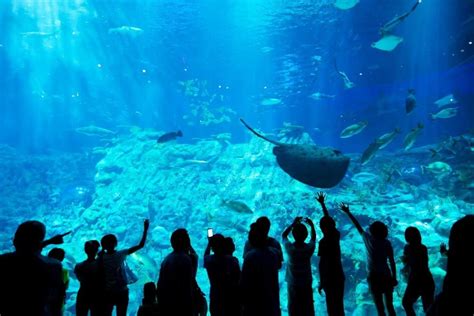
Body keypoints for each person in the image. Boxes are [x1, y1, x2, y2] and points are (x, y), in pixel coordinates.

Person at [340, 203, 397, 316]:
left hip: (374, 276)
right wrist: (394, 277)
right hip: (386, 275)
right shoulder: (387, 243)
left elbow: (358, 226)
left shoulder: (368, 239)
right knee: (389, 306)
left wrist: (348, 212)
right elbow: (392, 261)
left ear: (371, 231)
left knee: (379, 307)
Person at [0, 221, 64, 316]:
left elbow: (25, 250)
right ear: (39, 241)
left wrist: (48, 242)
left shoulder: (3, 261)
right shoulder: (53, 266)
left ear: (15, 241)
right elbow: (56, 302)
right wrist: (48, 242)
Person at [100, 219, 149, 316]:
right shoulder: (121, 254)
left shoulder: (101, 257)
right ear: (116, 244)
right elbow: (140, 245)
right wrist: (145, 229)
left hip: (107, 291)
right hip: (121, 290)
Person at [428, 215, 474, 316]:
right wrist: (444, 252)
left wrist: (445, 252)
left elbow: (453, 255)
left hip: (452, 293)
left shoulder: (456, 252)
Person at [241, 222, 281, 316]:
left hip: (254, 301)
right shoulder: (275, 253)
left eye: (251, 234)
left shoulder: (250, 256)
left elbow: (244, 280)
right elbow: (279, 266)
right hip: (272, 299)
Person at [316, 192, 345, 316]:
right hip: (339, 275)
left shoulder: (323, 242)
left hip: (328, 278)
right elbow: (329, 223)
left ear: (321, 228)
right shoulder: (336, 236)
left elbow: (322, 263)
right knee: (339, 305)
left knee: (331, 306)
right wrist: (323, 205)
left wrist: (322, 281)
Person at [157, 228, 197, 316]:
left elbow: (160, 285)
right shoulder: (185, 259)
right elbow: (190, 280)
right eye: (188, 239)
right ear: (186, 242)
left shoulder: (167, 259)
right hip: (182, 304)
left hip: (167, 304)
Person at [282, 216, 316, 316]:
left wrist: (293, 224)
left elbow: (284, 236)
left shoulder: (290, 249)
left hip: (293, 282)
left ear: (293, 235)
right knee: (307, 305)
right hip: (306, 282)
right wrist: (312, 226)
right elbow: (313, 238)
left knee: (293, 305)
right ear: (306, 235)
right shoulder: (309, 248)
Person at [204, 234, 241, 316]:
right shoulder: (232, 260)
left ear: (212, 248)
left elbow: (205, 256)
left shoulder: (209, 260)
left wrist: (209, 243)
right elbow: (238, 278)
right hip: (230, 296)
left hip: (215, 296)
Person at [401, 227, 435, 315]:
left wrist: (405, 262)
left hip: (416, 280)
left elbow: (409, 263)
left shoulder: (408, 248)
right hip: (427, 280)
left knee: (406, 303)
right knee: (428, 309)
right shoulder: (423, 248)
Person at [74, 240, 101, 316]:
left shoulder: (78, 266)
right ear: (97, 250)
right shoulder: (101, 265)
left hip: (83, 293)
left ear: (85, 250)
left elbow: (79, 278)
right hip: (97, 294)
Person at [47, 248, 69, 313]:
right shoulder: (64, 271)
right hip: (58, 302)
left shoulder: (41, 269)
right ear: (62, 259)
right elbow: (66, 287)